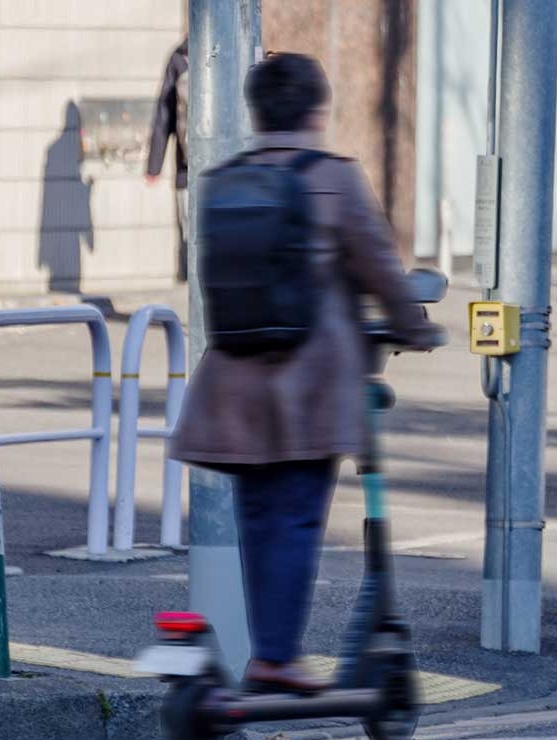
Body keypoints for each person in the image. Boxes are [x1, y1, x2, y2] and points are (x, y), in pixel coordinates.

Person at [168, 53, 440, 695]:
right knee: (295, 519)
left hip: (231, 384)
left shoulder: (220, 179)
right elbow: (378, 268)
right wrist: (417, 327)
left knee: (259, 517)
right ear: (318, 111)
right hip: (306, 387)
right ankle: (275, 658)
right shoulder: (333, 179)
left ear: (255, 112)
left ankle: (268, 651)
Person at [146, 38, 190, 281]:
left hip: (187, 170)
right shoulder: (235, 46)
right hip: (227, 171)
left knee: (192, 241)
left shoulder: (179, 56)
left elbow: (164, 114)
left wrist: (154, 166)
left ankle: (199, 314)